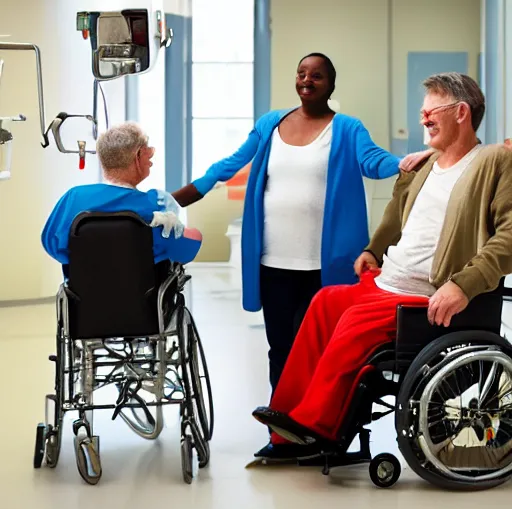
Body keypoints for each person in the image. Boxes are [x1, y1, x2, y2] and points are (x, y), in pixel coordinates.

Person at [252, 72, 512, 459]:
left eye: (430, 112)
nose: (422, 119)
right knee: (324, 303)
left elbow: (508, 235)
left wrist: (464, 284)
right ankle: (288, 425)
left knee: (354, 323)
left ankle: (317, 426)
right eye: (421, 112)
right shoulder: (427, 164)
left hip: (426, 295)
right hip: (386, 282)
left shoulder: (493, 160)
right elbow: (397, 215)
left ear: (461, 112)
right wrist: (374, 250)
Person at [172, 53, 433, 434]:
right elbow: (227, 166)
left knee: (320, 351)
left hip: (326, 266)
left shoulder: (346, 128)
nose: (307, 80)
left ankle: (320, 425)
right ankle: (282, 432)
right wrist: (171, 201)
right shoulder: (270, 125)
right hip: (273, 262)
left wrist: (406, 162)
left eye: (317, 75)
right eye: (301, 74)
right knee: (280, 349)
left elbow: (373, 161)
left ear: (330, 84)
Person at [42, 122, 202, 273]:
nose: (151, 161)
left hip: (83, 299)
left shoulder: (74, 197)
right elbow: (185, 251)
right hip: (141, 299)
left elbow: (51, 243)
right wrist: (195, 233)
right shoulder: (153, 204)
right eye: (149, 153)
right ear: (138, 157)